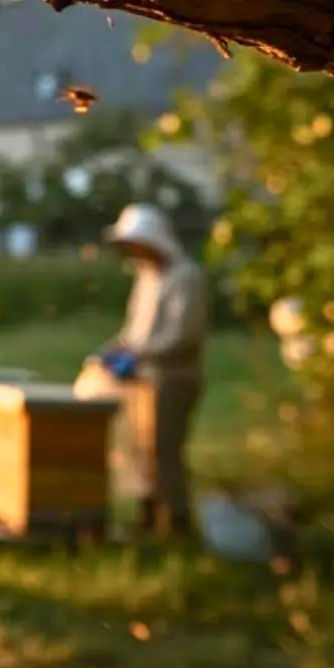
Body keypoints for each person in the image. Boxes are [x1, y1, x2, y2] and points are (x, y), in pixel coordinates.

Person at [95, 203, 209, 538]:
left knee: (163, 450)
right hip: (143, 379)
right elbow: (134, 329)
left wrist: (136, 353)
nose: (132, 251)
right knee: (139, 449)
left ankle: (176, 521)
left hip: (174, 378)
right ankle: (147, 517)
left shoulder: (186, 277)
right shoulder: (146, 276)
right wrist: (112, 350)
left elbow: (182, 335)